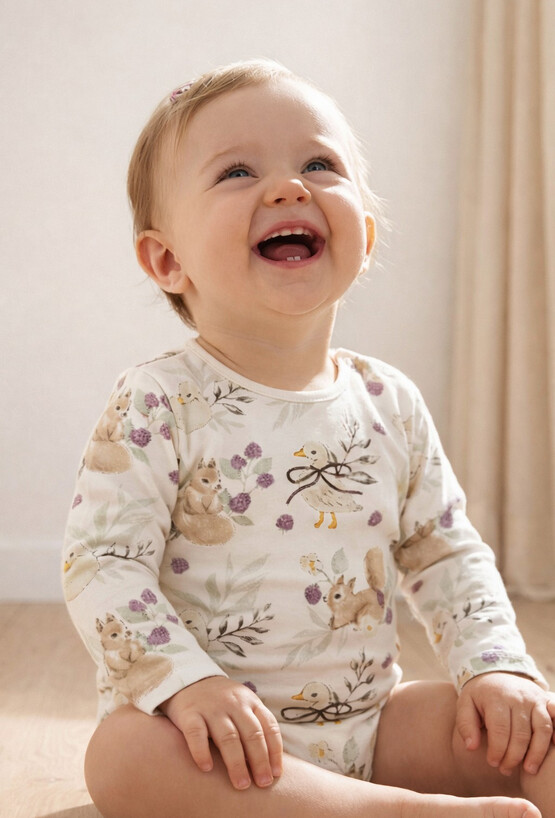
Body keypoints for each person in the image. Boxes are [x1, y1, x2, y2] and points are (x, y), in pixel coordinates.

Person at [63, 59, 555, 818]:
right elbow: (103, 563)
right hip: (210, 744)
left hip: (372, 730)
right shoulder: (157, 401)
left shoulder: (389, 402)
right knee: (122, 755)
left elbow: (445, 553)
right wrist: (186, 684)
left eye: (319, 165)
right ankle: (386, 811)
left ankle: (370, 792)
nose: (289, 188)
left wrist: (497, 668)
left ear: (365, 233)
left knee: (528, 727)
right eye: (236, 172)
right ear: (168, 260)